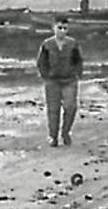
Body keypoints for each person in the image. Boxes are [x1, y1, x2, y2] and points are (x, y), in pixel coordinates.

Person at [36, 18, 83, 147]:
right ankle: (53, 136)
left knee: (71, 106)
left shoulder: (73, 44)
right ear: (54, 28)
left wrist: (77, 74)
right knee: (53, 109)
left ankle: (66, 132)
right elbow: (41, 62)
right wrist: (46, 76)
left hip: (69, 80)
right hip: (52, 81)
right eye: (59, 28)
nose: (62, 31)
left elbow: (78, 61)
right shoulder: (47, 44)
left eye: (65, 28)